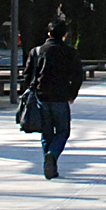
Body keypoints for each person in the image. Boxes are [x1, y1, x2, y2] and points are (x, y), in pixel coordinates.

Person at [24, 20, 84, 180]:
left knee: (46, 132)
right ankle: (53, 155)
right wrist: (72, 93)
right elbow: (78, 75)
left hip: (41, 97)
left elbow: (27, 75)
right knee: (63, 131)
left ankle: (49, 162)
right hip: (61, 96)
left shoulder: (37, 51)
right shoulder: (70, 52)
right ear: (64, 35)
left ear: (49, 33)